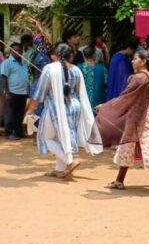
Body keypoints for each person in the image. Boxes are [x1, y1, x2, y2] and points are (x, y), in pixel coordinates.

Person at [94, 50, 149, 194]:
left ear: (143, 61)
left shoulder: (139, 78)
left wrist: (106, 106)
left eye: (135, 59)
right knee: (127, 147)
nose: (132, 61)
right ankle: (119, 180)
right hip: (141, 117)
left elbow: (125, 96)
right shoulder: (148, 77)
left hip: (142, 119)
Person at [25, 44, 102, 178]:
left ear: (55, 55)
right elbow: (80, 92)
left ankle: (70, 161)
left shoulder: (50, 69)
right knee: (61, 138)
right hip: (74, 106)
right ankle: (59, 169)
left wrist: (31, 109)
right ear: (70, 56)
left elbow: (40, 94)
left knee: (46, 138)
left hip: (56, 106)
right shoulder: (76, 70)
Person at [2, 42, 30, 140]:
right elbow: (4, 78)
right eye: (15, 50)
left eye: (19, 50)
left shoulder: (24, 62)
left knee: (20, 113)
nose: (18, 52)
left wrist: (27, 91)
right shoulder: (7, 63)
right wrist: (6, 92)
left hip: (22, 92)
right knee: (10, 113)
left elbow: (26, 78)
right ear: (11, 51)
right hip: (12, 92)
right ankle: (9, 133)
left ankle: (18, 132)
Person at [77, 46, 108, 111]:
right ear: (94, 55)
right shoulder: (101, 68)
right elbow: (107, 83)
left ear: (84, 56)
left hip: (82, 100)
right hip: (97, 101)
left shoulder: (78, 67)